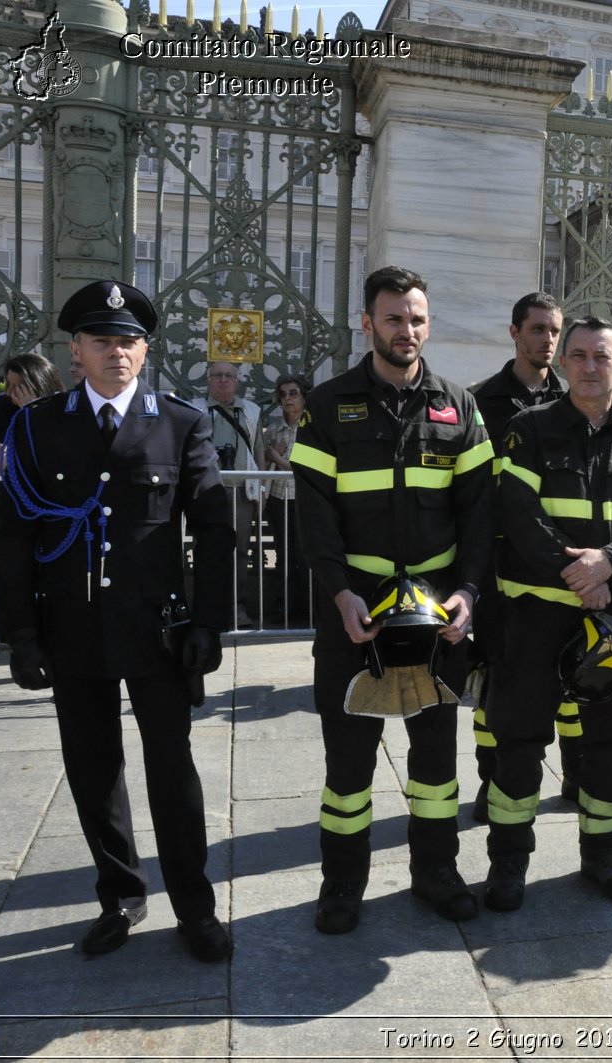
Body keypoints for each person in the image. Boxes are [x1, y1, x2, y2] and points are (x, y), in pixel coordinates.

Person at [0, 280, 233, 961]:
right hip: (71, 628)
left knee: (172, 771)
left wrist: (208, 623)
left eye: (127, 340)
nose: (116, 352)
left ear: (145, 349)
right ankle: (120, 893)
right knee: (92, 769)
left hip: (158, 630)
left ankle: (196, 907)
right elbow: (14, 535)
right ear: (76, 349)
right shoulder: (38, 425)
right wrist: (19, 633)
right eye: (101, 340)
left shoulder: (181, 422)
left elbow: (214, 529)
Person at [291, 266, 494, 934]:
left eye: (415, 318)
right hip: (355, 616)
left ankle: (436, 872)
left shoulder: (459, 406)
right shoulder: (326, 406)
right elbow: (316, 518)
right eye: (392, 318)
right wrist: (341, 593)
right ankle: (342, 884)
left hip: (435, 619)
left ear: (426, 323)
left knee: (436, 761)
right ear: (366, 323)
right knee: (347, 763)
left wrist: (467, 591)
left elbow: (478, 513)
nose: (405, 330)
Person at [486, 316, 612, 908]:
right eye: (578, 356)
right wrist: (578, 573)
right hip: (536, 615)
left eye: (602, 356)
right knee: (518, 740)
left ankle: (604, 854)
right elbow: (517, 513)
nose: (589, 366)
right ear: (564, 364)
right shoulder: (528, 428)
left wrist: (609, 564)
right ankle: (508, 864)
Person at [468, 292, 569, 822]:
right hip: (499, 566)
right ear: (514, 333)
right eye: (537, 330)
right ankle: (494, 780)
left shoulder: (572, 401)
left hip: (556, 565)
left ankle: (577, 775)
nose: (547, 340)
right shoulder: (480, 402)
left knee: (572, 674)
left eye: (554, 331)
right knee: (497, 681)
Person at [193, 362, 265, 628]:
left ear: (237, 381)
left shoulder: (251, 411)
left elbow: (259, 451)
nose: (223, 380)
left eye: (229, 376)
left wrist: (262, 488)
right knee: (206, 549)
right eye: (217, 375)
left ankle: (238, 606)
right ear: (208, 380)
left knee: (241, 551)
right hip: (207, 491)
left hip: (241, 491)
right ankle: (206, 607)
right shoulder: (196, 409)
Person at [262, 373, 311, 624]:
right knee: (284, 555)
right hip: (279, 498)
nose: (288, 399)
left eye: (293, 393)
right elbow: (261, 463)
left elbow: (305, 469)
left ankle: (309, 611)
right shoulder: (274, 429)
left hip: (305, 500)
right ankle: (286, 611)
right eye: (283, 394)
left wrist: (277, 458)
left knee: (306, 556)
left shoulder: (313, 426)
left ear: (304, 395)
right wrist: (269, 456)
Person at [0, 353, 65, 471]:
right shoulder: (2, 405)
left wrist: (31, 411)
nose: (9, 392)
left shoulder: (61, 405)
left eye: (17, 387)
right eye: (8, 384)